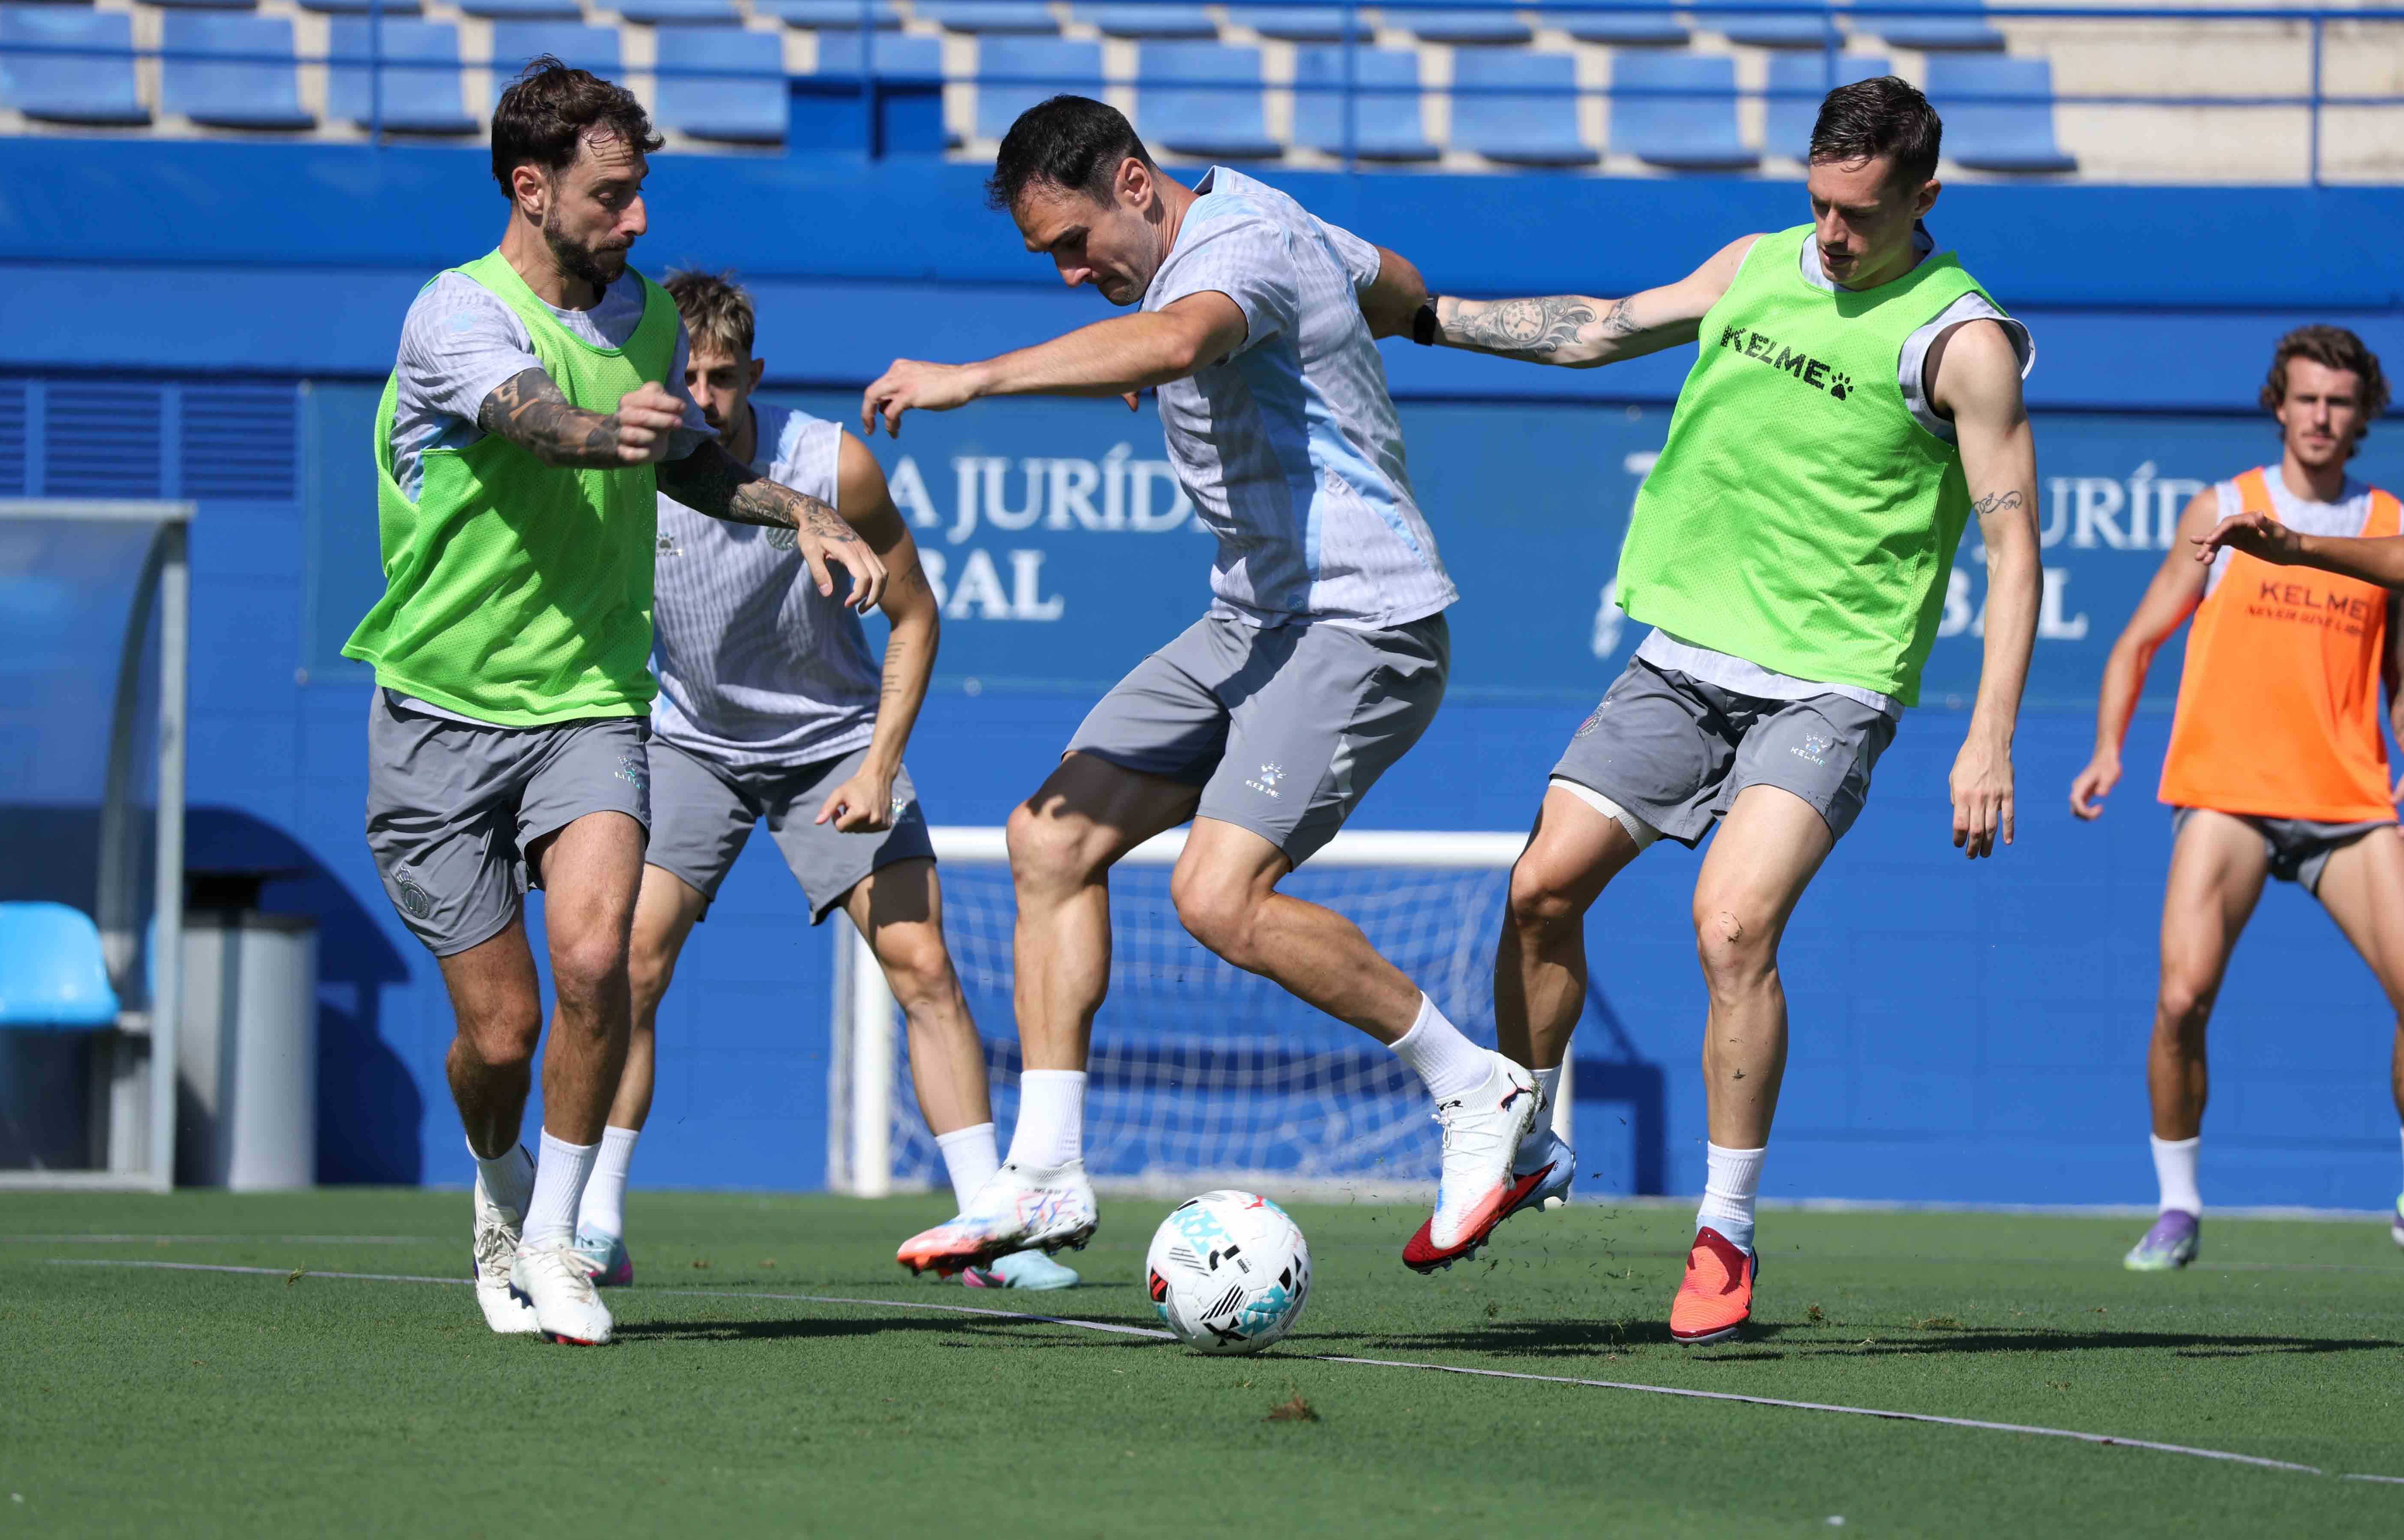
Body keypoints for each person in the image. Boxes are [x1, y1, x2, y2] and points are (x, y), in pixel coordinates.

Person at [861, 95, 1543, 1278]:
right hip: (1252, 620)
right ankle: (1045, 1171)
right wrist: (1325, 339)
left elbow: (1183, 339)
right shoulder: (1261, 217)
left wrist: (976, 378)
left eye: (1075, 242)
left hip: (1360, 623)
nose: (1071, 274)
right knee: (1048, 839)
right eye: (1048, 257)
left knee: (1217, 897)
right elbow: (1394, 285)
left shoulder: (1238, 246)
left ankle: (1476, 1088)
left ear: (1134, 183)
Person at [1421, 77, 2041, 1341]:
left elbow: (2013, 547)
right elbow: (1596, 329)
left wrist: (1988, 736)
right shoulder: (1756, 264)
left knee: (1730, 925)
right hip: (1684, 660)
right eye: (1817, 203)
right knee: (1539, 889)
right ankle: (1521, 1137)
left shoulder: (1961, 342)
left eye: (1857, 213)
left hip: (1831, 680)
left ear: (1924, 195)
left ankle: (1723, 1233)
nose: (1831, 233)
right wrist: (1425, 318)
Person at [343, 59, 884, 1346]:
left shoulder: (642, 315)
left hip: (590, 701)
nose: (636, 220)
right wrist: (621, 432)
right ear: (530, 190)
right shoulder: (456, 317)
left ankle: (558, 1241)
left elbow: (684, 464)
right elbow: (541, 423)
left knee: (597, 962)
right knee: (501, 1035)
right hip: (438, 709)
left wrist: (803, 510)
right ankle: (500, 1189)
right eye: (610, 196)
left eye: (641, 192)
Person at [570, 270, 1074, 1292]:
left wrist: (879, 766)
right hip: (691, 742)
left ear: (754, 375)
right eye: (683, 378)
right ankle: (593, 1226)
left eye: (720, 378)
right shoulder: (625, 465)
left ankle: (989, 1233)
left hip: (835, 743)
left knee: (922, 964)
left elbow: (916, 616)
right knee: (626, 966)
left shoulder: (831, 464)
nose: (701, 398)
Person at [2083, 327, 2404, 1266]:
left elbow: (2398, 680)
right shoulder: (2223, 509)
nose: (2320, 416)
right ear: (2278, 405)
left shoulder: (2388, 523)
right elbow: (2136, 641)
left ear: (2361, 415)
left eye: (2338, 402)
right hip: (2226, 795)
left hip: (2348, 801)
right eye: (2306, 398)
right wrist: (2106, 750)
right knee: (2181, 998)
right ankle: (2177, 1206)